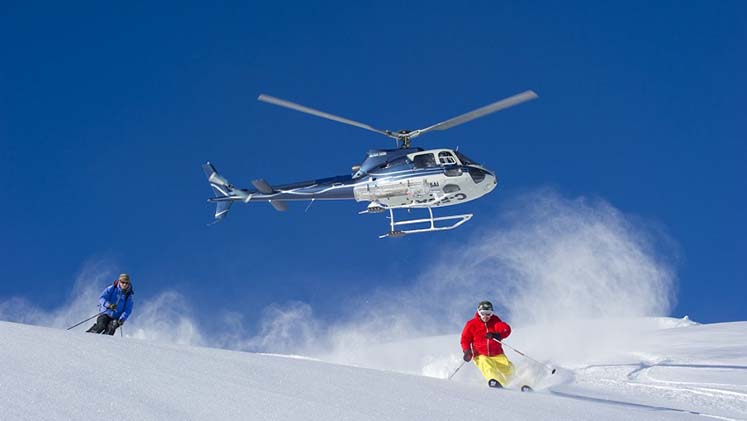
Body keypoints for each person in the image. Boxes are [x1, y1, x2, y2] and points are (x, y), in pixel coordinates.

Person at [460, 300, 514, 388]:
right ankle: (498, 383)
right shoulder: (471, 324)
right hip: (480, 354)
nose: (485, 316)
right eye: (483, 313)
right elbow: (465, 340)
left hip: (497, 353)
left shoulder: (495, 321)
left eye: (488, 314)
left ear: (492, 313)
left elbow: (506, 329)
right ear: (478, 312)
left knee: (508, 368)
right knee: (487, 366)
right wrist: (467, 351)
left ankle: (519, 383)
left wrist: (497, 335)